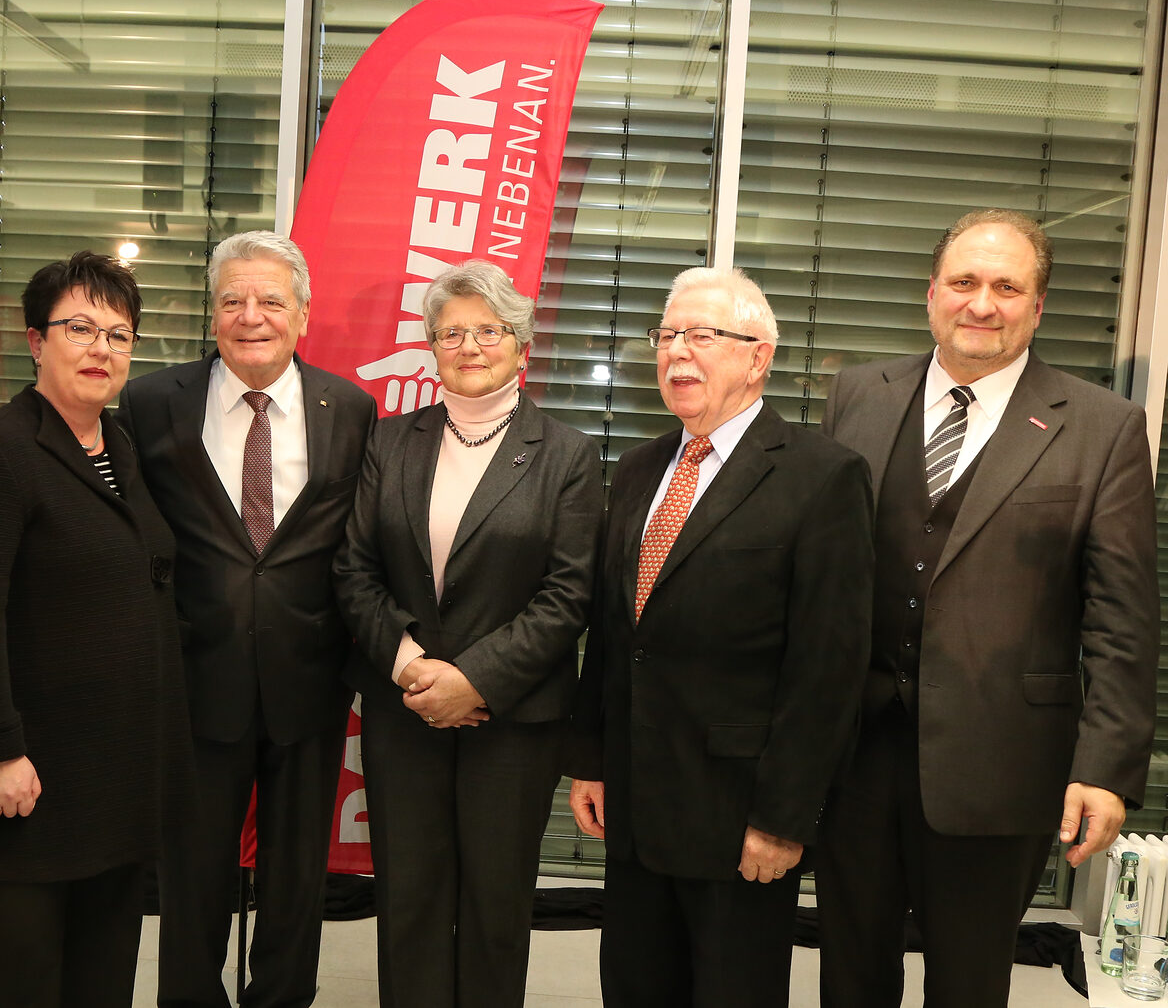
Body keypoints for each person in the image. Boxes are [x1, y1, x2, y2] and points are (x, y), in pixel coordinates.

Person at [816, 208, 1158, 1007]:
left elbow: (1122, 618)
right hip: (853, 754)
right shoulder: (858, 393)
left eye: (1007, 286)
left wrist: (1104, 769)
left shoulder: (1104, 428)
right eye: (964, 282)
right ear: (931, 293)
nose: (982, 303)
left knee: (968, 986)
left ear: (1037, 307)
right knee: (848, 974)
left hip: (1001, 762)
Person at [567, 266, 874, 1008]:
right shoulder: (641, 468)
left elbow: (828, 667)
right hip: (636, 802)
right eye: (666, 336)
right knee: (635, 989)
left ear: (757, 355)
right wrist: (591, 758)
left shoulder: (822, 477)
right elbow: (615, 632)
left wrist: (782, 817)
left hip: (739, 819)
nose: (677, 353)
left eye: (701, 335)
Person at [332, 260, 602, 1007]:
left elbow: (568, 593)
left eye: (490, 330)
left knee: (494, 906)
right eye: (453, 332)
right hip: (403, 708)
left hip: (511, 721)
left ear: (521, 344)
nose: (471, 345)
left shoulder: (568, 455)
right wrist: (415, 667)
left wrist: (471, 679)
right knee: (410, 901)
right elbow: (354, 569)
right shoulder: (389, 442)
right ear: (432, 346)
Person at [0, 251, 194, 1006]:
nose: (100, 348)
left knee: (99, 975)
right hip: (31, 782)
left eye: (118, 333)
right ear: (37, 340)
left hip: (114, 779)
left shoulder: (119, 448)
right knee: (13, 974)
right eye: (80, 327)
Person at [118, 229, 375, 1008]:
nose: (250, 314)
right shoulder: (152, 401)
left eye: (270, 299)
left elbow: (358, 543)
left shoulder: (352, 408)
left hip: (310, 680)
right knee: (191, 873)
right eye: (232, 299)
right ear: (212, 313)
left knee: (297, 877)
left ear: (302, 312)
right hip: (196, 678)